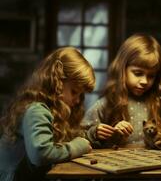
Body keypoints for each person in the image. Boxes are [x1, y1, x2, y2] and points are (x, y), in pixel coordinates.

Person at [0, 47, 95, 181]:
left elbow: (66, 139)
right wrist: (76, 147)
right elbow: (40, 154)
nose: (78, 100)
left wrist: (92, 135)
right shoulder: (36, 110)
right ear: (57, 82)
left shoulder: (54, 109)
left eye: (81, 95)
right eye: (74, 92)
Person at [82, 33, 161, 148]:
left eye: (151, 76)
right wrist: (96, 133)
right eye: (138, 73)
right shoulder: (108, 103)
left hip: (158, 163)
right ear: (122, 69)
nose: (144, 81)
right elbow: (80, 135)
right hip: (119, 164)